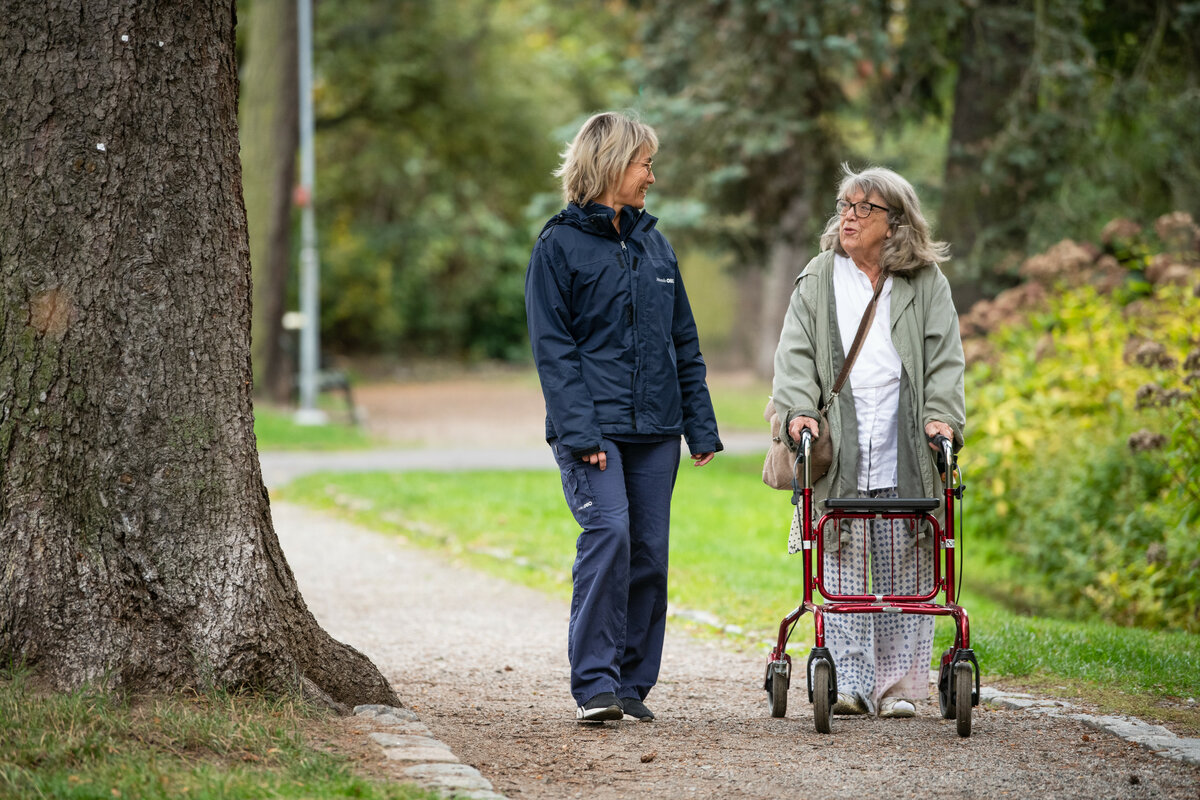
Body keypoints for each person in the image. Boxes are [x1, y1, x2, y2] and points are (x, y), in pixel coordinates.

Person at [525, 111, 722, 723]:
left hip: (656, 431)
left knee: (648, 553)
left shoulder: (655, 243)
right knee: (608, 535)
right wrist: (581, 434)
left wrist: (701, 426)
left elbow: (682, 341)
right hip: (595, 431)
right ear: (612, 165)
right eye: (644, 163)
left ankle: (631, 685)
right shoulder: (558, 246)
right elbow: (553, 352)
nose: (652, 176)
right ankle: (594, 685)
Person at [771, 165, 965, 718]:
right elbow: (794, 357)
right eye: (845, 205)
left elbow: (947, 361)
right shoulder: (818, 276)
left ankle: (900, 688)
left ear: (895, 222)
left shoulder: (926, 282)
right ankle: (852, 684)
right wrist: (799, 413)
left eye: (864, 208)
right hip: (843, 440)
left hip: (905, 439)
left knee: (908, 563)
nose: (848, 216)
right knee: (843, 564)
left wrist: (942, 419)